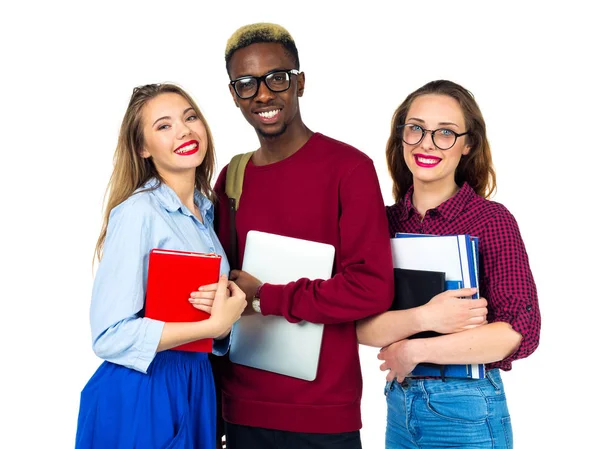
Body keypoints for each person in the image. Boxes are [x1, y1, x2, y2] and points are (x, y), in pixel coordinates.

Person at [211, 23, 394, 449]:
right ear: (234, 95)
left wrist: (265, 297)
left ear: (300, 83)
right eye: (246, 84)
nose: (263, 94)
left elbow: (371, 288)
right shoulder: (232, 178)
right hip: (242, 409)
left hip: (324, 416)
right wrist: (217, 402)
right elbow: (221, 290)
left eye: (277, 78)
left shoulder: (349, 169)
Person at [356, 80, 542, 449]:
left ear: (467, 144)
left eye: (445, 133)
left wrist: (416, 349)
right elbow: (359, 325)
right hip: (399, 402)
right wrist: (425, 319)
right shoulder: (384, 222)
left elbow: (520, 331)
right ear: (402, 137)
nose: (426, 143)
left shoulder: (491, 220)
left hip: (467, 408)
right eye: (416, 129)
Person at [75, 83, 247, 448]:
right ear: (142, 148)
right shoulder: (140, 212)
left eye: (190, 117)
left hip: (196, 384)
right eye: (163, 125)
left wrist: (220, 328)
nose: (184, 130)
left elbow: (202, 319)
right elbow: (110, 335)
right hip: (144, 389)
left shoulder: (207, 212)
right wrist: (216, 322)